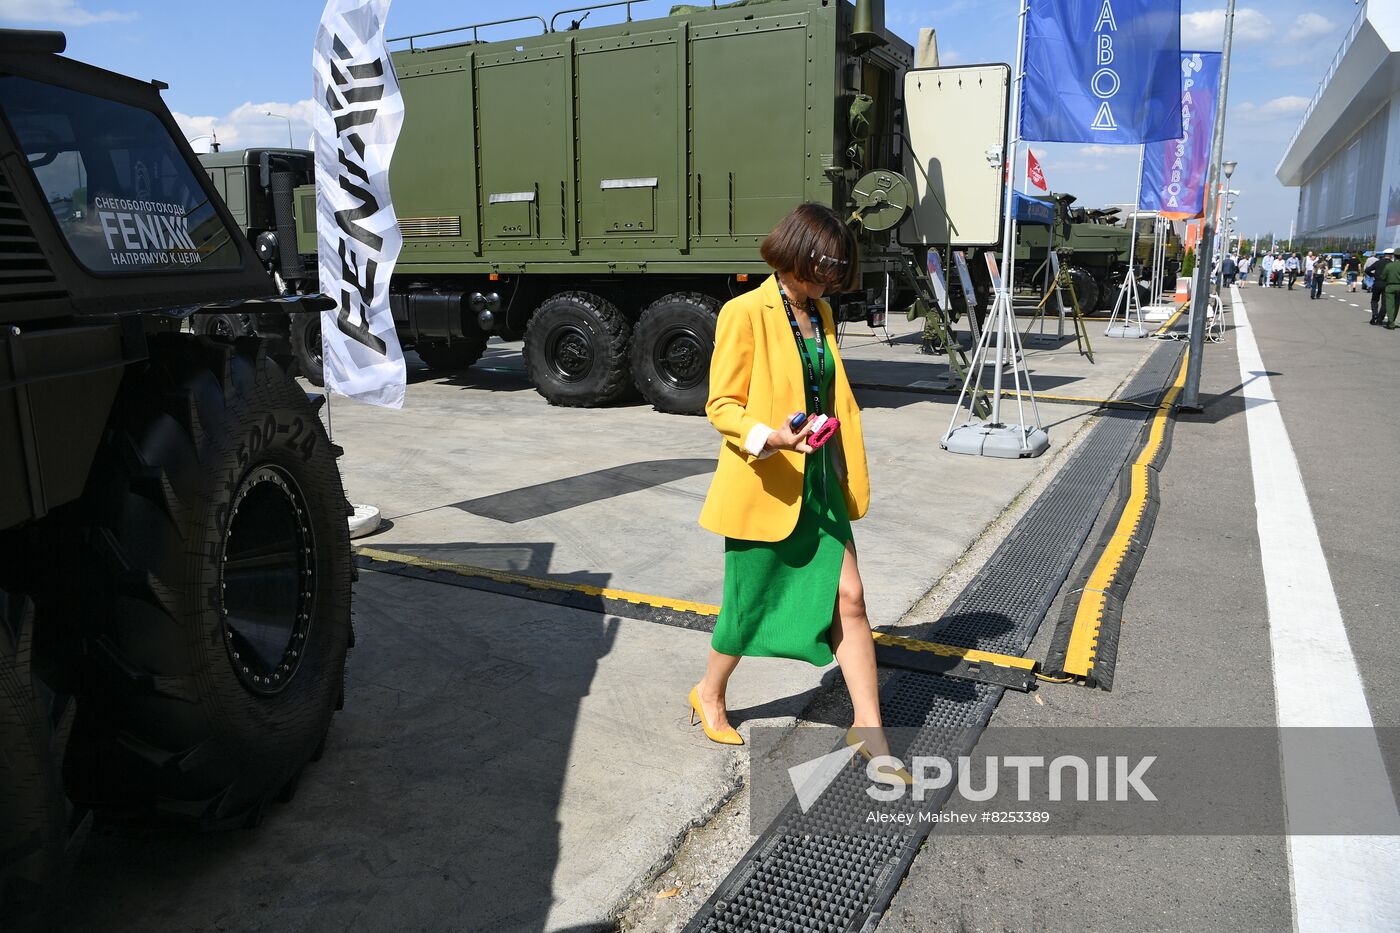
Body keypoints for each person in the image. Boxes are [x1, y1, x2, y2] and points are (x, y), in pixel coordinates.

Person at [692, 202, 909, 781]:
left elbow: (824, 391)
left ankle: (871, 729)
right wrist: (774, 437)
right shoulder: (745, 312)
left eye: (833, 274)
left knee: (852, 598)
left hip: (818, 481)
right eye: (817, 270)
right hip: (767, 478)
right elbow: (722, 406)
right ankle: (709, 692)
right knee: (750, 601)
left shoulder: (822, 313)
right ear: (791, 255)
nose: (823, 283)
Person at [1369, 248, 1393, 325]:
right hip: (1387, 284)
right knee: (1385, 302)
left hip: (1377, 282)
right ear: (1391, 256)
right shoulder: (1392, 264)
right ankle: (1380, 318)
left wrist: (1373, 275)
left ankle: (1375, 314)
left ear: (1384, 255)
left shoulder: (1378, 262)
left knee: (1374, 300)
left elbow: (1367, 270)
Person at [1383, 248, 1400, 329]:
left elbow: (1383, 277)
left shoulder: (1389, 266)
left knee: (1390, 305)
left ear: (1394, 256)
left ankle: (1391, 323)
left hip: (1390, 286)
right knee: (1397, 305)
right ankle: (1393, 319)